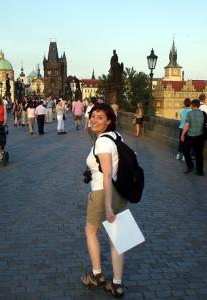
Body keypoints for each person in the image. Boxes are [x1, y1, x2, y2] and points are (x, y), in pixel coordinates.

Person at [81, 103, 127, 298]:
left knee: (90, 230)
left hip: (102, 192)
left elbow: (106, 174)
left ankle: (97, 274)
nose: (94, 120)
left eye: (100, 117)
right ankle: (117, 284)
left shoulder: (102, 143)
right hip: (120, 192)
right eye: (92, 115)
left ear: (109, 120)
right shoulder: (117, 137)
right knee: (118, 238)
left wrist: (107, 205)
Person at [180, 99, 207, 175]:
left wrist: (183, 134)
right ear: (199, 106)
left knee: (185, 151)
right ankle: (200, 171)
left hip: (190, 136)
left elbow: (186, 125)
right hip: (200, 136)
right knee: (199, 154)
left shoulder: (190, 113)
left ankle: (190, 166)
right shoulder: (203, 113)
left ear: (192, 105)